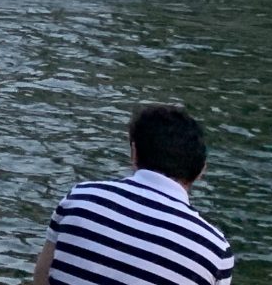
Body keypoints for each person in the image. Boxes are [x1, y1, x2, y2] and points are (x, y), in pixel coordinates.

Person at [34, 104, 232, 285]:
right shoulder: (215, 251)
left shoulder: (80, 199)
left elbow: (41, 277)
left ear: (134, 152)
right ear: (201, 171)